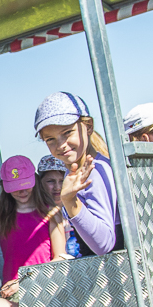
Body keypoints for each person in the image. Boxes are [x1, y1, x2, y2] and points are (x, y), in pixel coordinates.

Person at [36, 92, 121, 256]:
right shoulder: (78, 170)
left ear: (88, 126)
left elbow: (104, 245)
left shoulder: (95, 172)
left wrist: (69, 200)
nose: (61, 145)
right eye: (50, 139)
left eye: (67, 132)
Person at [36, 155, 82, 258]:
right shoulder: (37, 214)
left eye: (62, 181)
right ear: (40, 183)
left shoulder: (79, 208)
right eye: (50, 181)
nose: (57, 187)